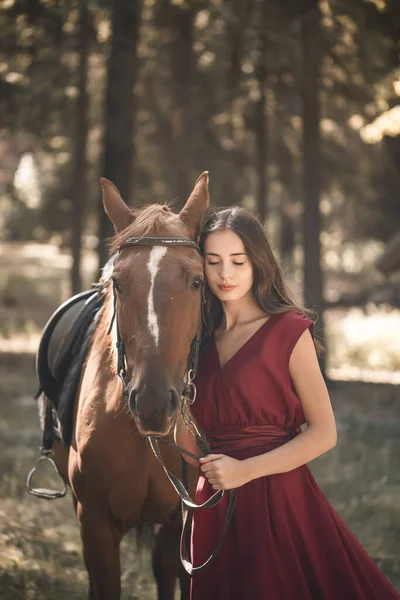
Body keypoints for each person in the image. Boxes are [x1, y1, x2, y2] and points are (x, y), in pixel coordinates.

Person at [175, 206, 400, 600]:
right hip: (212, 500)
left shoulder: (288, 331)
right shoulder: (199, 344)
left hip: (276, 496)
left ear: (258, 263)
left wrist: (246, 471)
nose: (225, 273)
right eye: (213, 262)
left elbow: (324, 433)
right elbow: (191, 442)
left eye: (237, 261)